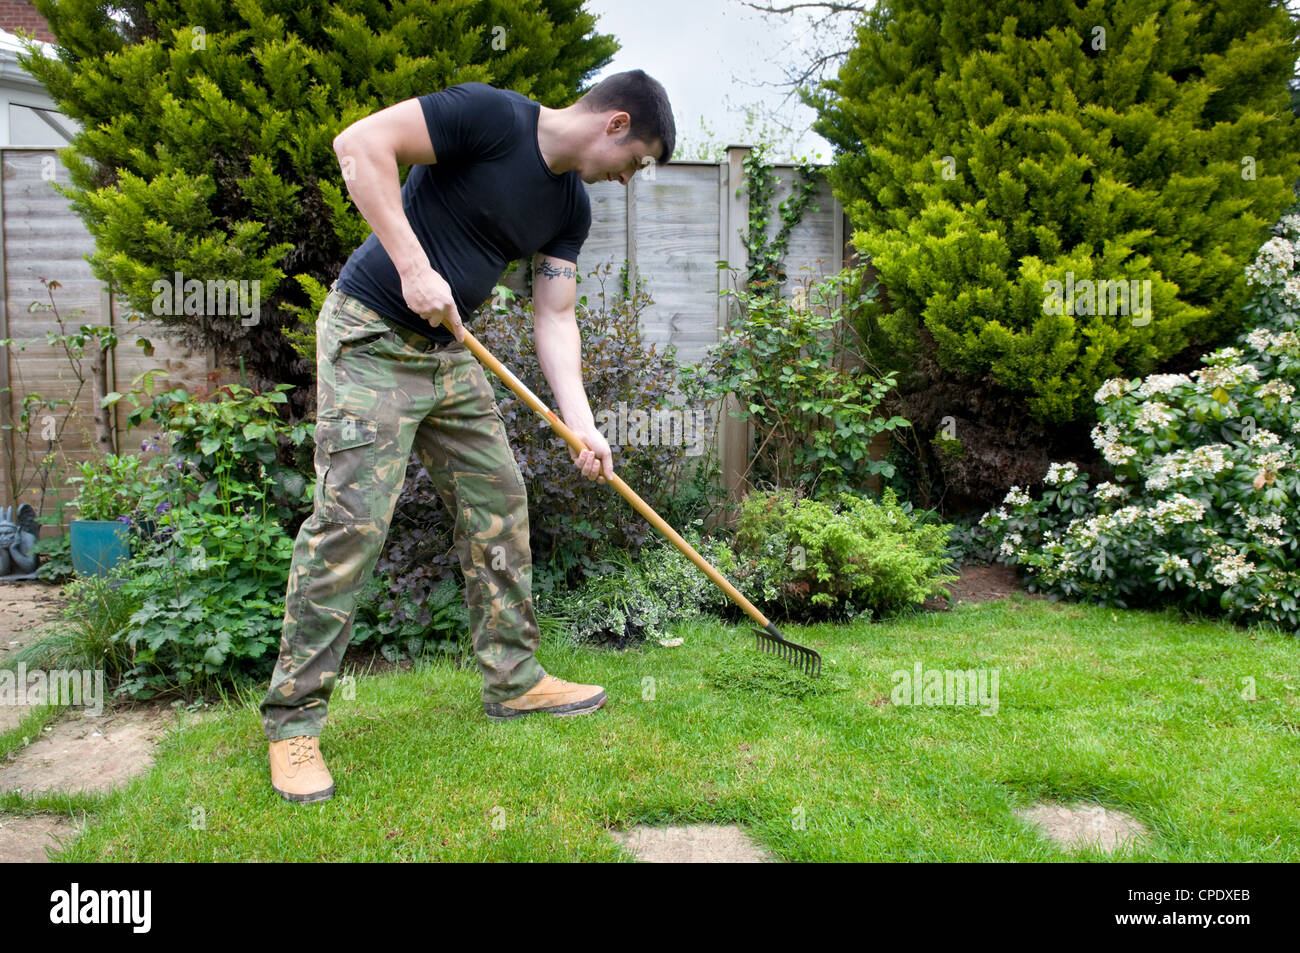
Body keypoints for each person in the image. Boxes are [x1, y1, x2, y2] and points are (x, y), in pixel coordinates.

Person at [258, 70, 675, 803]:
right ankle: (293, 723)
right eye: (637, 161)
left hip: (447, 357)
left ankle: (513, 680)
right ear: (614, 124)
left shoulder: (569, 208)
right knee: (349, 525)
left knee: (498, 502)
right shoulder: (489, 116)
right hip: (370, 335)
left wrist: (580, 423)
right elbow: (359, 144)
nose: (627, 179)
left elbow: (555, 316)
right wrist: (414, 267)